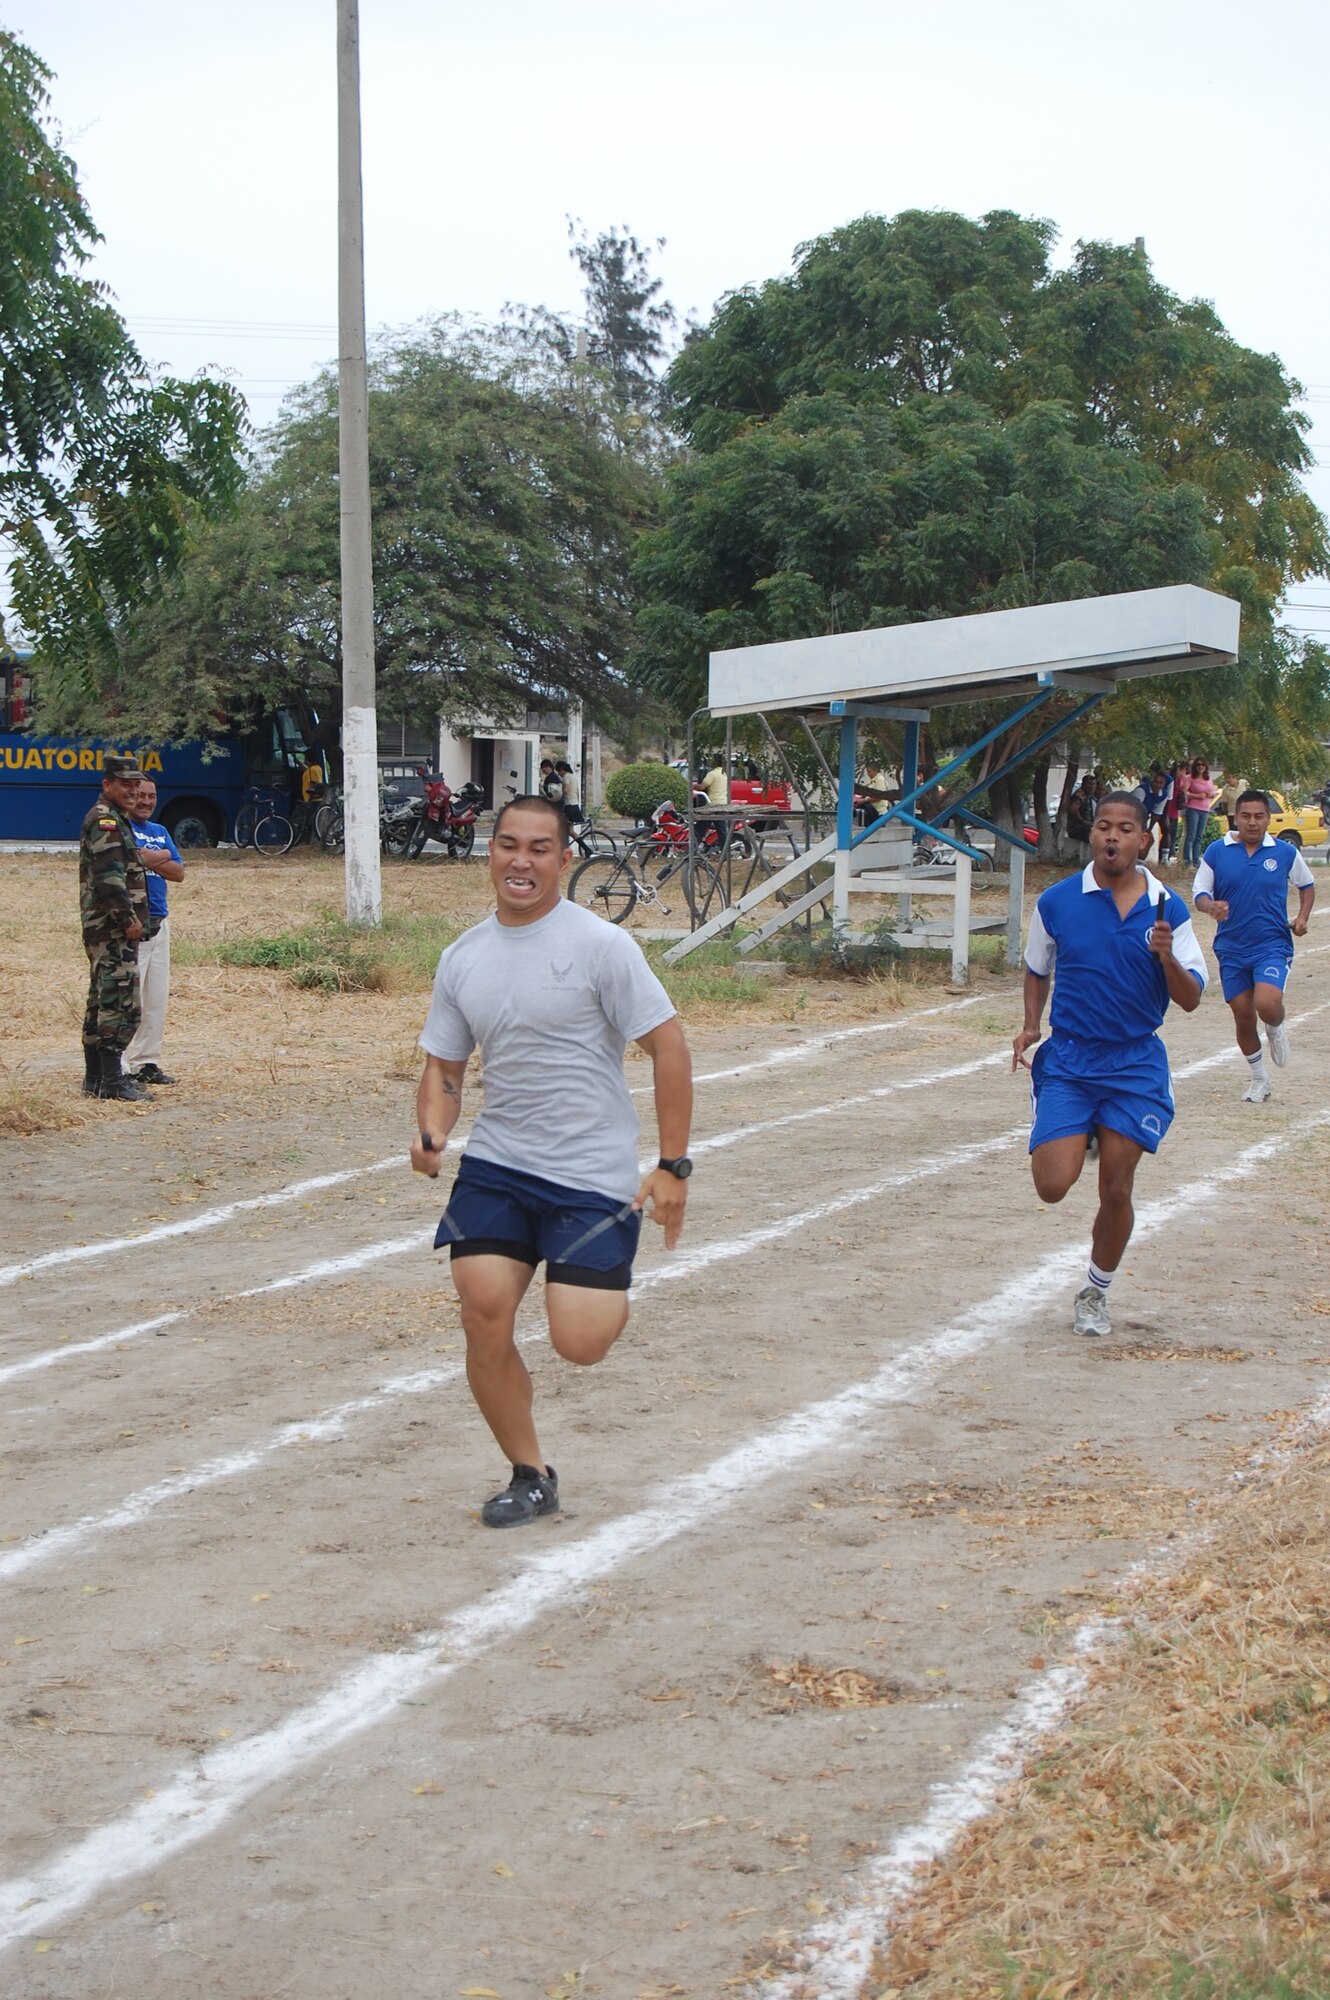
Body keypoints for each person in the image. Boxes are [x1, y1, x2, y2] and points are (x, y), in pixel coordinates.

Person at [410, 794, 693, 1527]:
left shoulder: (602, 947)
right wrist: (434, 1130)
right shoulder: (462, 956)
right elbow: (445, 1065)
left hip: (590, 1175)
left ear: (565, 860)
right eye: (508, 845)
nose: (521, 861)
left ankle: (590, 1283)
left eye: (540, 849)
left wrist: (672, 1165)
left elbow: (668, 1047)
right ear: (490, 852)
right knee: (482, 1311)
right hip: (499, 1164)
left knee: (580, 1342)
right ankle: (530, 1473)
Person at [1013, 791, 1207, 1338]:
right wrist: (1032, 1023)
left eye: (1126, 828)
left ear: (1145, 839)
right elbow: (1036, 968)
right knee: (1052, 1186)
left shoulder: (1169, 908)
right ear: (1091, 835)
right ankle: (1083, 1126)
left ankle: (1095, 1291)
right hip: (1071, 1058)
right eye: (1104, 826)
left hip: (1134, 1063)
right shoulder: (1057, 902)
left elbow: (1191, 999)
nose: (1113, 837)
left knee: (1116, 1189)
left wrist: (1165, 955)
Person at [1192, 788, 1315, 1103]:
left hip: (1271, 944)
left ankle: (1276, 1026)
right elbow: (1200, 892)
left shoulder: (1285, 852)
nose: (1252, 822)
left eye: (1259, 816)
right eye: (1245, 816)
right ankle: (1260, 1080)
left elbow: (1306, 885)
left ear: (1268, 819)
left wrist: (1301, 917)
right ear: (1236, 818)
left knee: (1267, 1004)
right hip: (1231, 948)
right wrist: (1211, 907)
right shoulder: (1217, 852)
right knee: (1244, 1016)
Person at [78, 754, 151, 1102]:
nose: (133, 791)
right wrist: (128, 920)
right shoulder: (106, 821)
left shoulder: (115, 819)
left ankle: (95, 1079)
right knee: (119, 1002)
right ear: (107, 784)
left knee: (102, 999)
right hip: (112, 928)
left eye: (136, 785)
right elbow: (110, 881)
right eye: (125, 785)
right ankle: (111, 1081)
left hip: (105, 928)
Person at [124, 778, 186, 1086]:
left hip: (160, 923)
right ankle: (120, 1065)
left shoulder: (160, 832)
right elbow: (131, 860)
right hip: (132, 924)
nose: (146, 801)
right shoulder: (121, 828)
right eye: (140, 795)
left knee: (155, 997)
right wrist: (162, 857)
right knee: (127, 997)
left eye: (152, 796)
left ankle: (146, 1061)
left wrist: (152, 858)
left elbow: (179, 873)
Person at [1181, 758, 1218, 868]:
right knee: (1191, 835)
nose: (1200, 767)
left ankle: (1196, 860)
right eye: (1198, 765)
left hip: (1205, 809)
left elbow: (1212, 791)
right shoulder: (1189, 778)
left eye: (1203, 764)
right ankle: (1187, 860)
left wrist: (1211, 794)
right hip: (1193, 808)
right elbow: (1184, 793)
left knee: (1199, 836)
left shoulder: (1209, 779)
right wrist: (1197, 796)